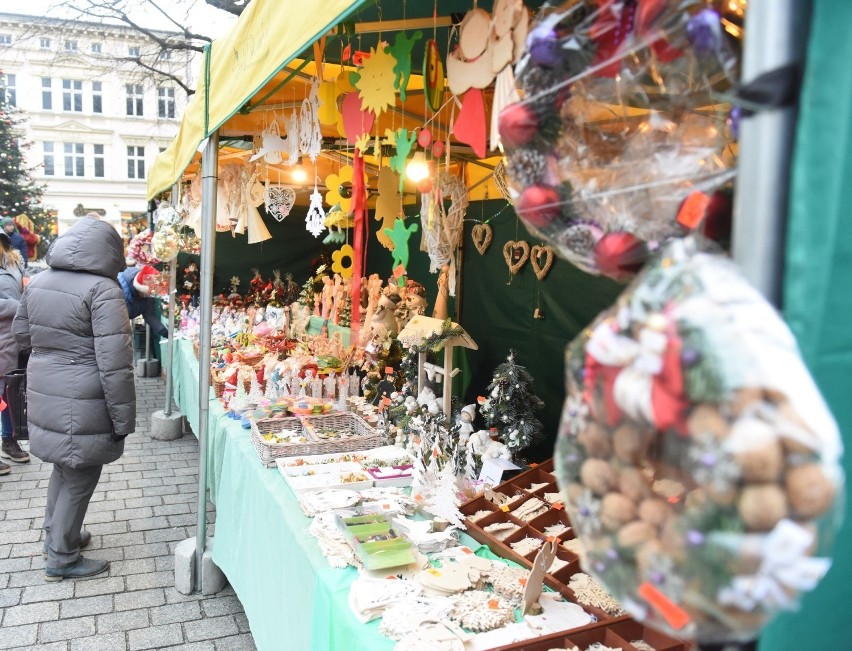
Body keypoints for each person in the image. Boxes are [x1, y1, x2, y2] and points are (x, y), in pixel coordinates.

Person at [12, 216, 136, 581]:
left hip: (46, 387)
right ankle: (62, 557)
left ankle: (58, 533)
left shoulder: (39, 281)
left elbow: (21, 336)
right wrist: (123, 421)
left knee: (64, 467)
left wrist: (53, 353)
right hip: (84, 396)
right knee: (80, 473)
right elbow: (116, 364)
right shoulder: (103, 289)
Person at [0, 230, 27, 473]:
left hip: (12, 340)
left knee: (9, 394)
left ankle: (8, 439)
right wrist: (15, 305)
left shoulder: (12, 265)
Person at [117, 264, 168, 339]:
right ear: (139, 289)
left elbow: (150, 316)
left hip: (121, 326)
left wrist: (165, 332)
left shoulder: (148, 295)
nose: (148, 296)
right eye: (146, 294)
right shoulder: (119, 284)